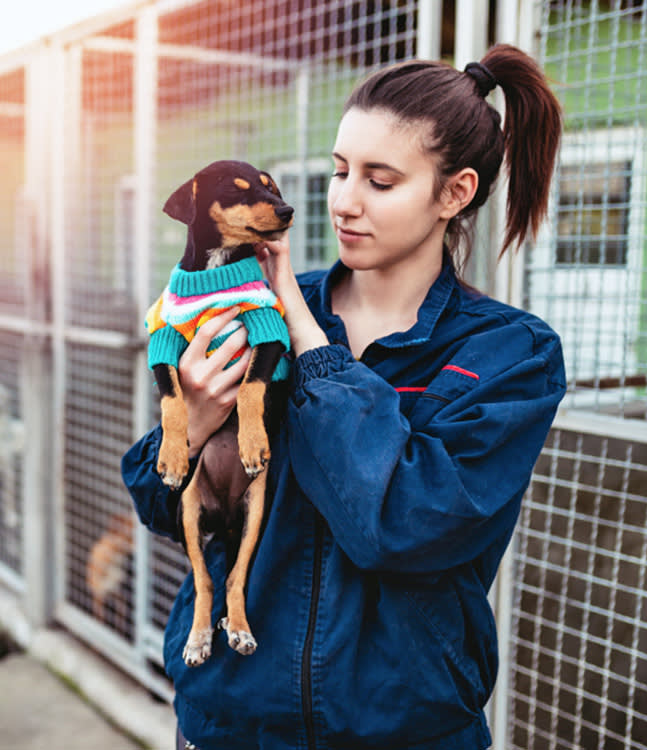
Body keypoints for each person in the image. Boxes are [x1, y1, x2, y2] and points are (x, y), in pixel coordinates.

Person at [122, 43, 566, 750]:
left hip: (404, 730)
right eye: (339, 171)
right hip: (232, 722)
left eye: (380, 181)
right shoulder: (241, 311)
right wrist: (197, 420)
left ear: (455, 192)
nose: (343, 201)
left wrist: (307, 337)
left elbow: (405, 524)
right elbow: (159, 502)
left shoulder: (508, 354)